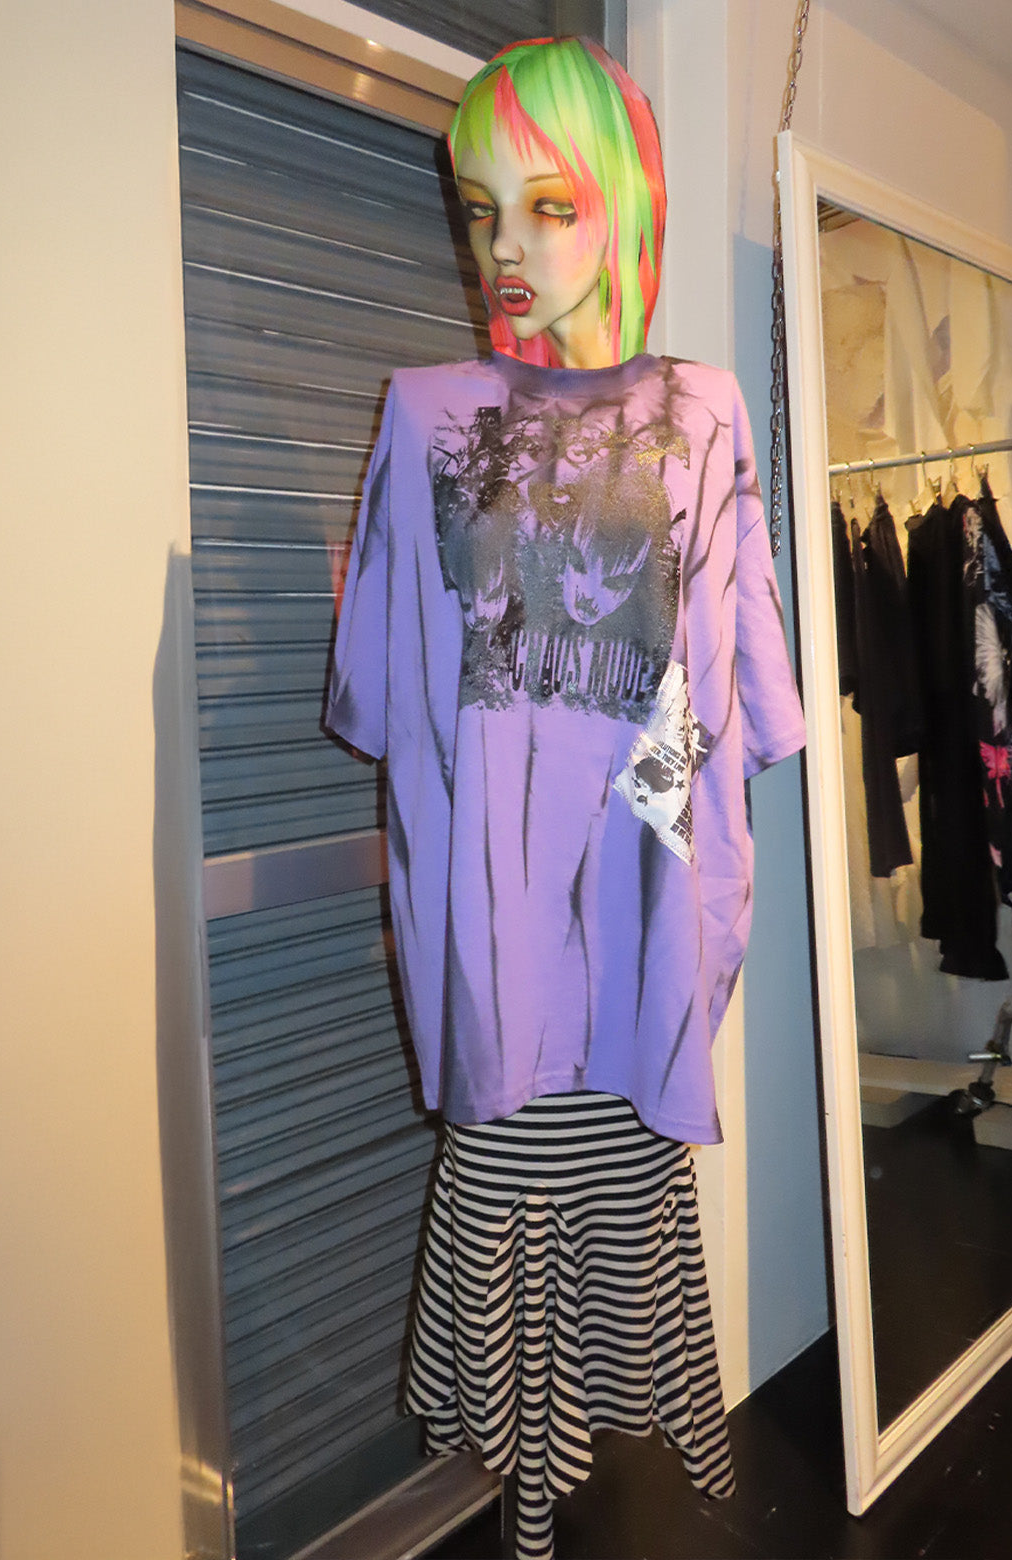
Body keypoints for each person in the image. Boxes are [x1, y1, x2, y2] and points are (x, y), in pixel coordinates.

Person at [326, 36, 805, 1560]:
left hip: (648, 941)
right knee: (510, 1240)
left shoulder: (708, 415)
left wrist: (643, 815)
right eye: (481, 211)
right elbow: (389, 700)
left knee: (624, 1235)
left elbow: (731, 702)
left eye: (547, 205)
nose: (505, 249)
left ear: (624, 204)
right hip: (498, 949)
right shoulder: (421, 417)